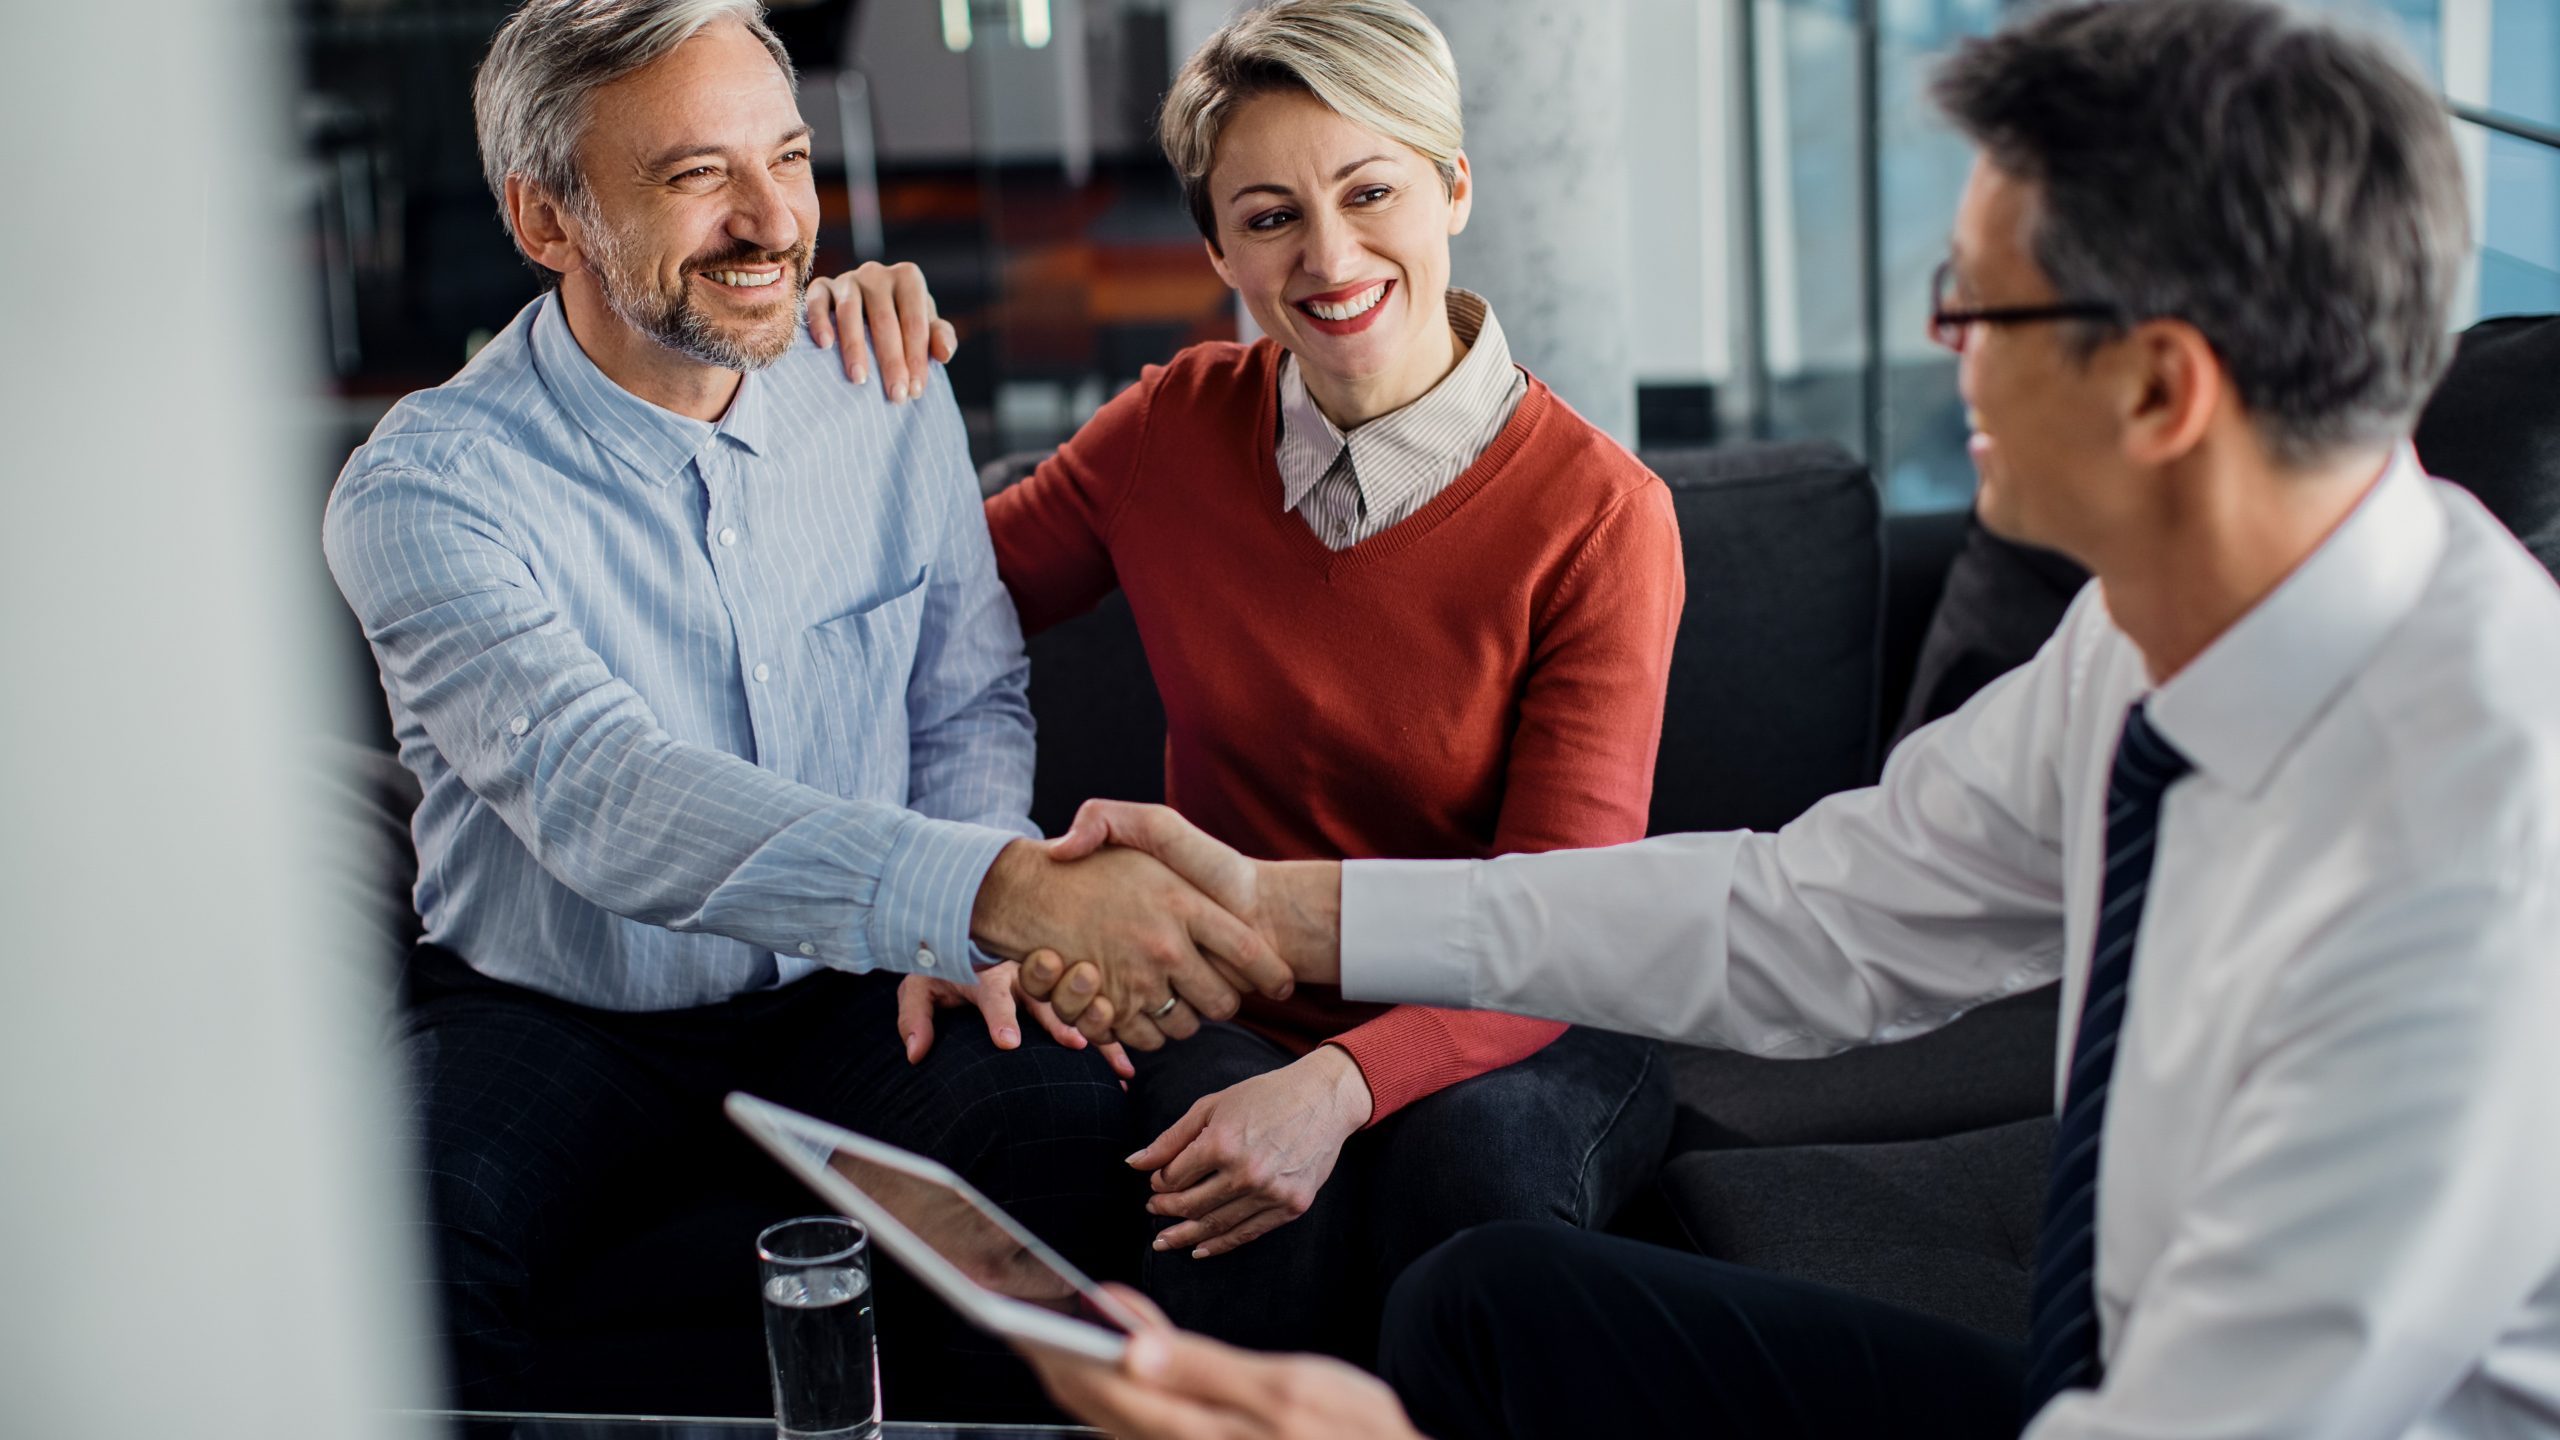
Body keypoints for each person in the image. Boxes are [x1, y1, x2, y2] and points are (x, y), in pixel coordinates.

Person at [1011, 0, 2560, 1434]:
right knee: (1496, 1308)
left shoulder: (2468, 853)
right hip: (2118, 1373)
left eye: (1980, 306)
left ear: (2161, 392)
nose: (1944, 348)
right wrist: (1278, 908)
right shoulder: (2152, 640)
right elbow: (1804, 917)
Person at [319, 0, 1291, 1411]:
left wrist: (958, 920)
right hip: (555, 1010)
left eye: (787, 157)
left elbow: (965, 696)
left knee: (1061, 1124)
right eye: (696, 175)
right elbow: (605, 793)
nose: (773, 221)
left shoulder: (880, 384)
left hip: (850, 986)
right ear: (546, 220)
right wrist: (992, 888)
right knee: (393, 1234)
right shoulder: (427, 489)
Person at [804, 0, 1678, 1361]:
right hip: (1233, 1000)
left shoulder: (1602, 517)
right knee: (1209, 1208)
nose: (1329, 258)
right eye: (1269, 217)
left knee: (1474, 1200)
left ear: (1453, 186)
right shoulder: (1172, 430)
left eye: (1370, 190)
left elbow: (1559, 926)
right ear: (1217, 248)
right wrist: (830, 384)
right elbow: (907, 617)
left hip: (1522, 1018)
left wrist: (1343, 1084)